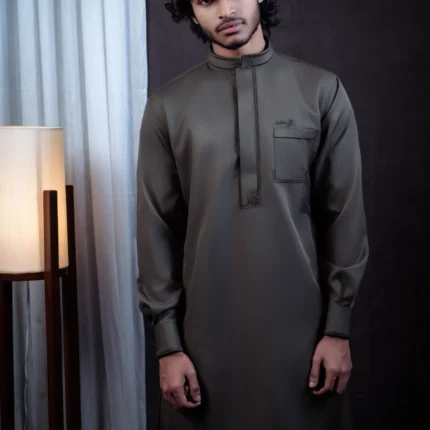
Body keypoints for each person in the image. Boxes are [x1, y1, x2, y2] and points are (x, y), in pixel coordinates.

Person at [136, 0, 369, 429]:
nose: (226, 8)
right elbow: (156, 232)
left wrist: (338, 329)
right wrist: (168, 345)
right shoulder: (166, 108)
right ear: (190, 11)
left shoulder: (322, 92)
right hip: (201, 351)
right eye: (206, 0)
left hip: (307, 347)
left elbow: (345, 217)